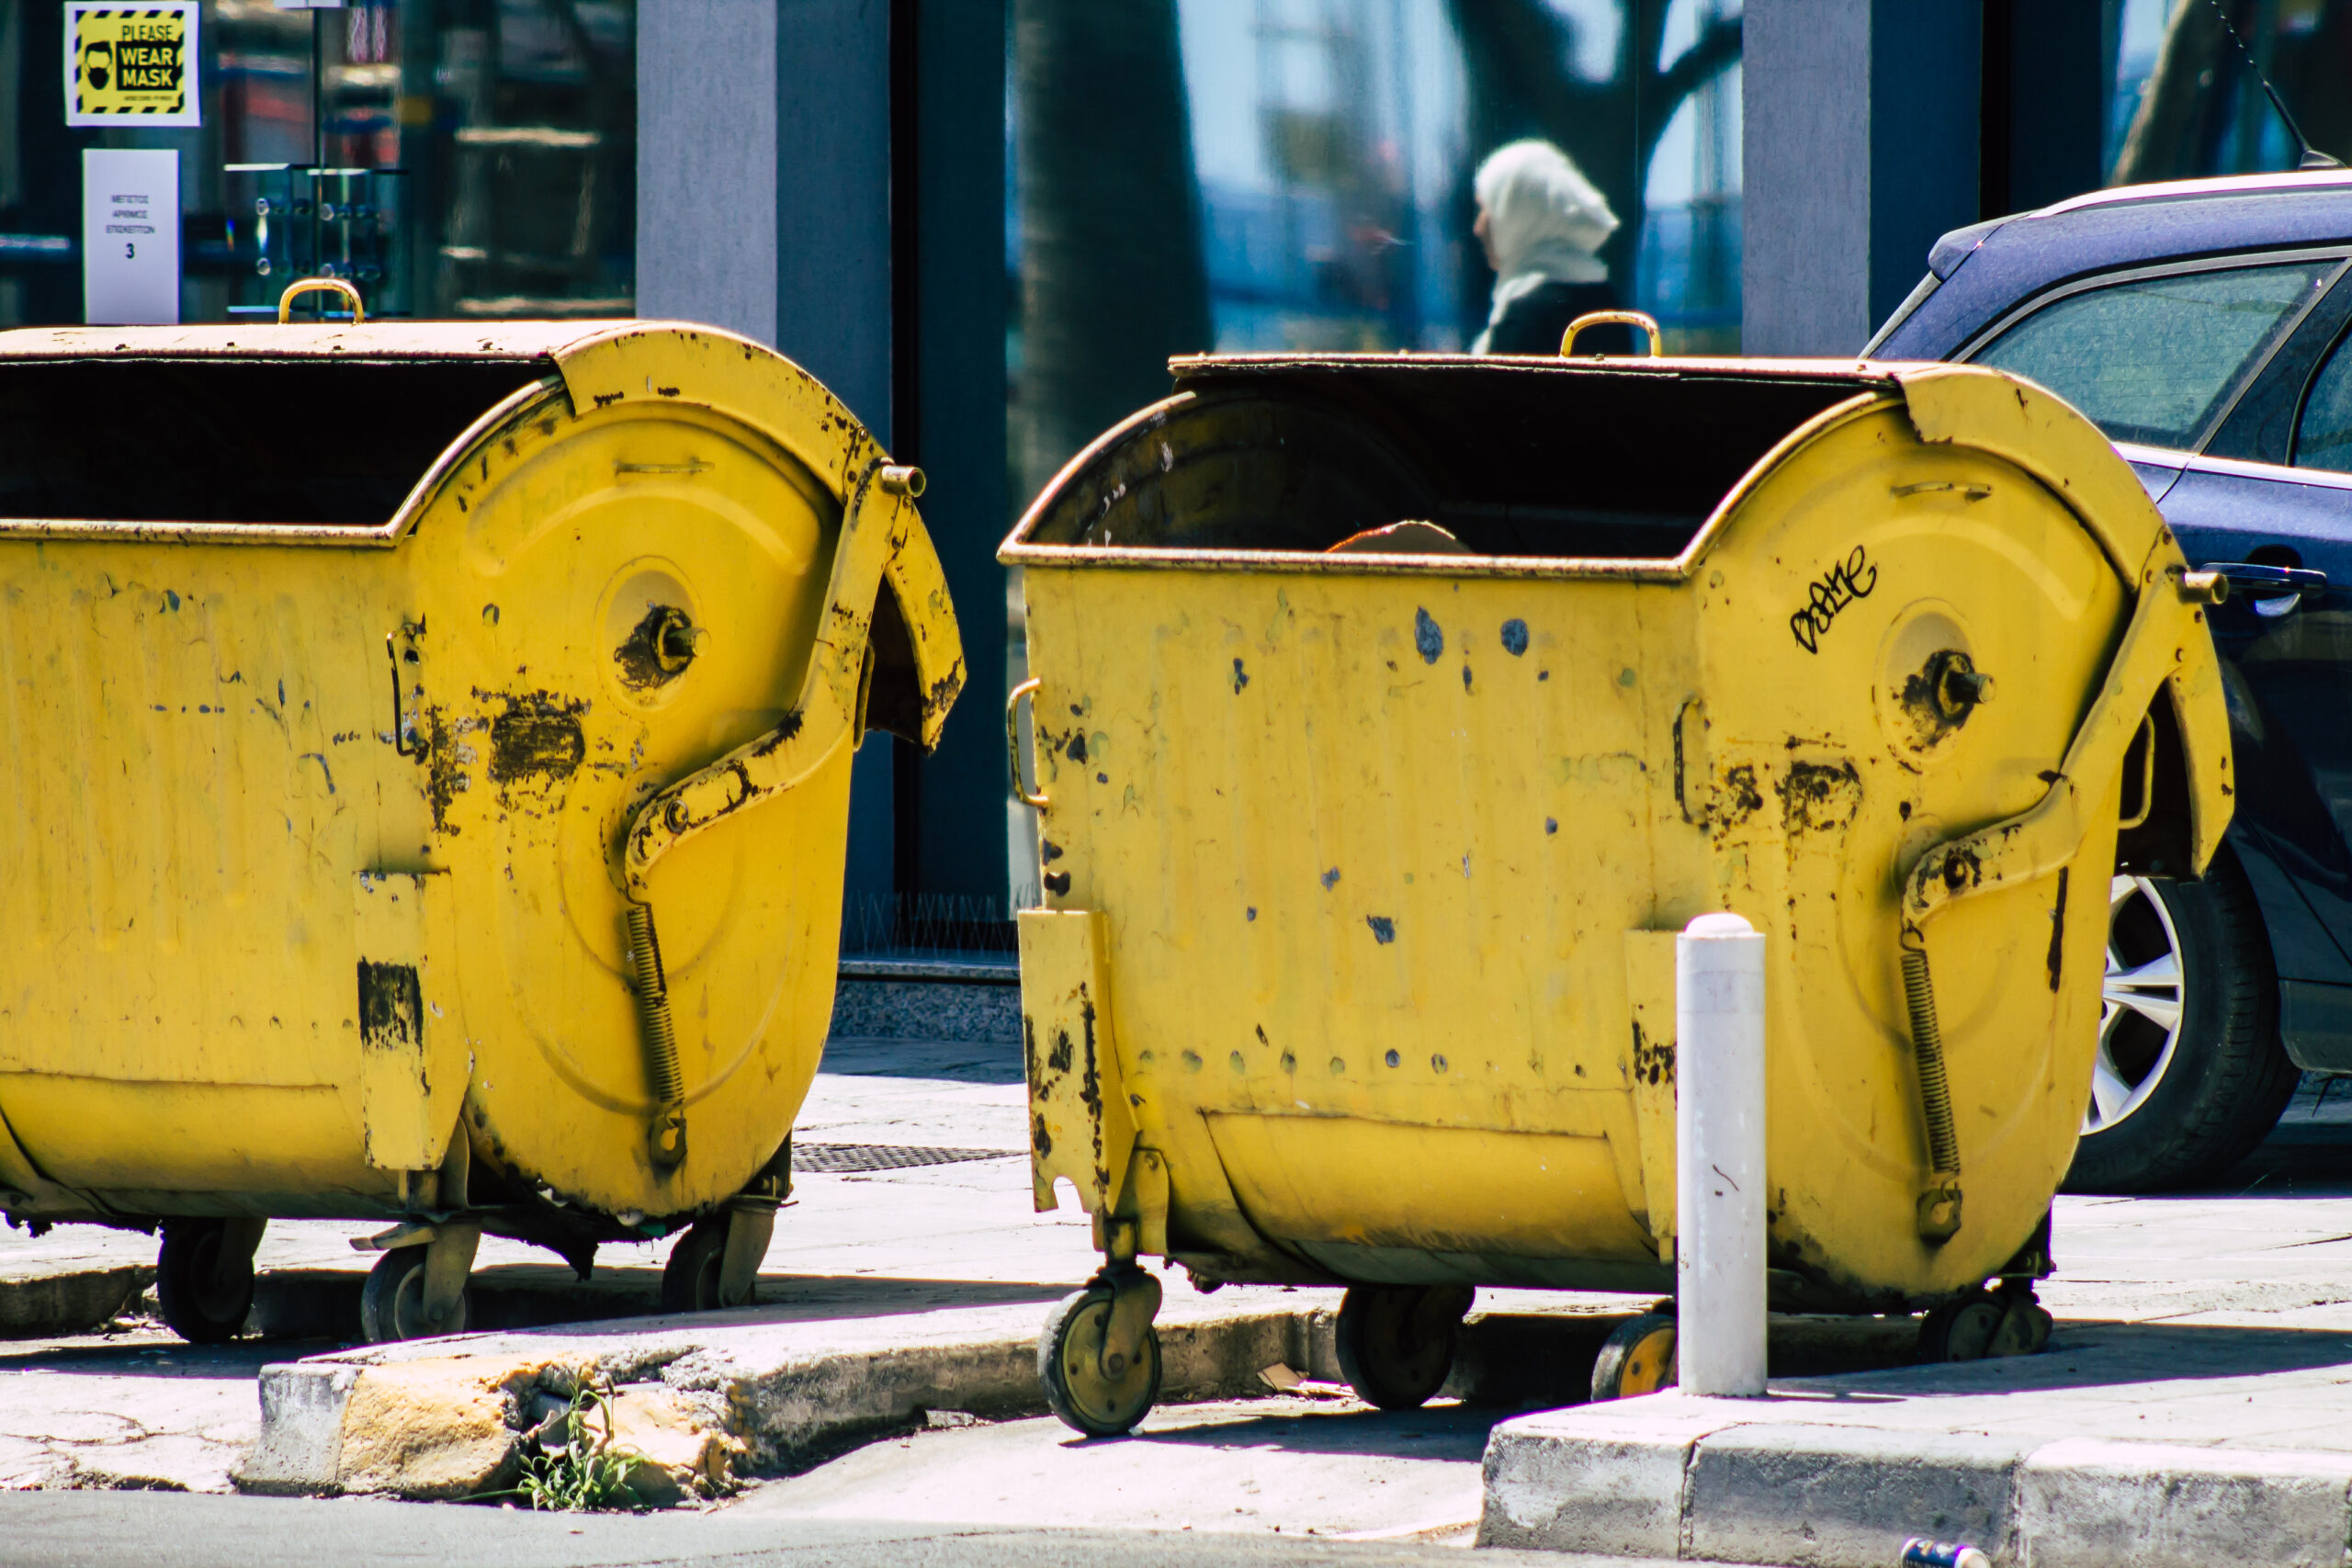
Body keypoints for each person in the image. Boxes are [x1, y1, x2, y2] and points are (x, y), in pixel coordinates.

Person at [1468, 139, 1632, 355]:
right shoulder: (1604, 301)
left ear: (1518, 211)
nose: (1478, 227)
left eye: (1486, 208)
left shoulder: (1525, 320)